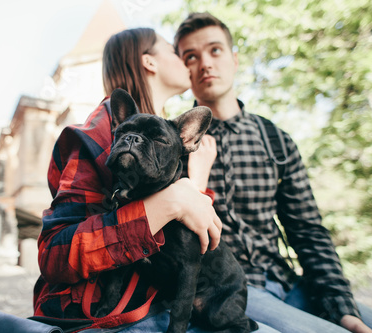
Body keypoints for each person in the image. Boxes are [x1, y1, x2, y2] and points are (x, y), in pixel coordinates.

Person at [172, 11, 372, 333]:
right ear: (182, 68)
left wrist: (341, 306)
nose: (205, 63)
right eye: (191, 56)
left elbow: (308, 231)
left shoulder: (275, 141)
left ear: (234, 58)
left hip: (287, 281)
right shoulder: (174, 142)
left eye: (215, 50)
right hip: (229, 287)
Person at [33, 27, 231, 332]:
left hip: (158, 300)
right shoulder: (97, 134)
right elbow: (55, 255)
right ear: (150, 62)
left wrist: (195, 184)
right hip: (100, 312)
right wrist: (168, 202)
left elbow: (186, 243)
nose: (187, 61)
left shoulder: (168, 139)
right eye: (174, 51)